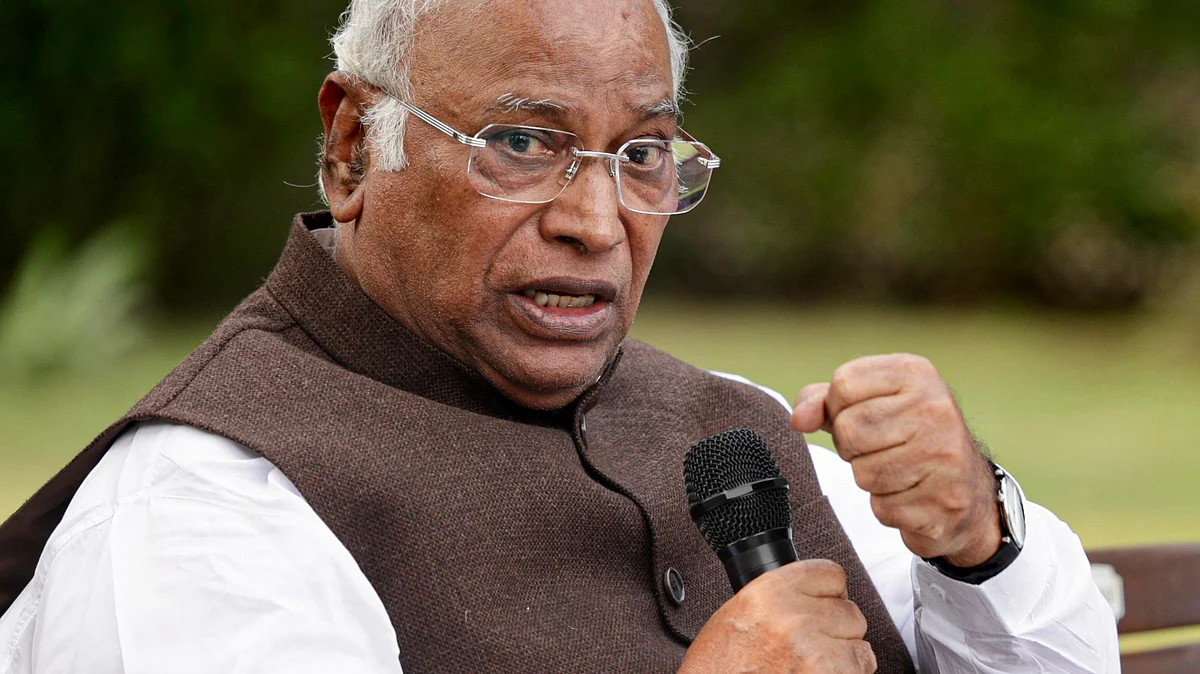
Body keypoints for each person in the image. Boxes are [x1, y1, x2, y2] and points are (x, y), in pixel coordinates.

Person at [0, 0, 1119, 672]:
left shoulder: (729, 422)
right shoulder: (205, 501)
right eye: (522, 143)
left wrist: (979, 537)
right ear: (352, 149)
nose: (596, 223)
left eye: (641, 154)